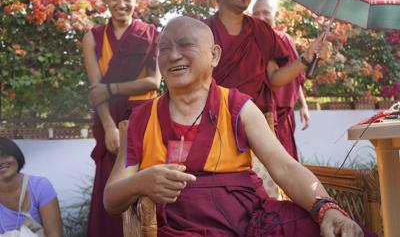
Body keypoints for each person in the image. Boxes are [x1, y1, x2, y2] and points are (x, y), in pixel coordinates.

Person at [103, 16, 375, 237]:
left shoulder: (238, 106)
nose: (173, 56)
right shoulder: (141, 118)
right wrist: (141, 182)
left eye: (185, 45)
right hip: (184, 229)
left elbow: (284, 166)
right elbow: (111, 198)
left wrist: (327, 208)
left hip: (254, 222)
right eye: (164, 49)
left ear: (214, 55)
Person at [82, 0, 161, 237]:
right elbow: (96, 91)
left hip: (145, 118)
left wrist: (113, 88)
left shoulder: (150, 34)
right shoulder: (92, 38)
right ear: (105, 0)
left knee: (147, 181)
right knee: (110, 185)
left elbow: (155, 81)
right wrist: (109, 128)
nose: (121, 4)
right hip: (110, 120)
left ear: (135, 1)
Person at [204, 0, 326, 132]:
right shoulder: (203, 31)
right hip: (214, 117)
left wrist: (306, 59)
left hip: (257, 119)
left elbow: (274, 80)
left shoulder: (260, 30)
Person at [252, 0, 310, 160]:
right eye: (256, 14)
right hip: (265, 115)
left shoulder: (285, 39)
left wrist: (303, 106)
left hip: (285, 116)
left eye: (265, 13)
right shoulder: (251, 43)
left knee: (287, 160)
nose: (261, 18)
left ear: (276, 16)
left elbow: (295, 76)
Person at [0, 137, 62, 236]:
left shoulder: (40, 187)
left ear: (17, 156)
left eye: (5, 155)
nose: (1, 162)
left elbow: (55, 235)